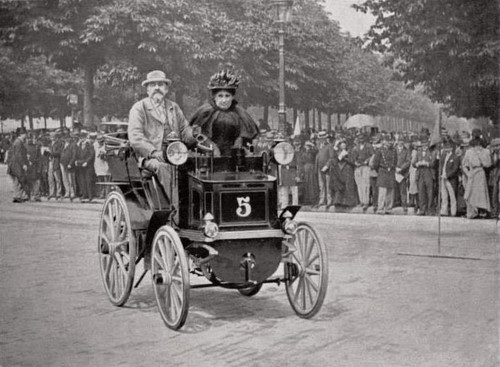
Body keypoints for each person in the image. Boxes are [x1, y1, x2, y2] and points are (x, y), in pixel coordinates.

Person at [128, 70, 197, 206]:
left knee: (197, 168)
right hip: (149, 158)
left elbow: (184, 130)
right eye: (153, 85)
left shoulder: (174, 108)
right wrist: (153, 152)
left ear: (166, 89)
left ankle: (196, 207)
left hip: (176, 156)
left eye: (160, 84)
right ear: (147, 89)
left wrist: (194, 135)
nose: (157, 88)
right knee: (164, 168)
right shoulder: (139, 108)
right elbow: (135, 137)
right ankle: (177, 210)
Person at [189, 70, 259, 156]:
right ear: (214, 97)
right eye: (220, 96)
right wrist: (213, 147)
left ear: (232, 97)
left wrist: (239, 142)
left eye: (227, 96)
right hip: (208, 155)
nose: (224, 100)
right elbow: (195, 134)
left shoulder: (240, 113)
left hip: (234, 156)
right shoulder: (204, 111)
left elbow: (248, 134)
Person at [461, 135, 492, 218]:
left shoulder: (486, 151)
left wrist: (483, 162)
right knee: (470, 193)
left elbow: (489, 164)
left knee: (481, 193)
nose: (478, 145)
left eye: (479, 143)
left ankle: (482, 211)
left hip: (481, 173)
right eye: (476, 143)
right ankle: (473, 212)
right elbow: (463, 165)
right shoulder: (469, 152)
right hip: (472, 173)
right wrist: (468, 174)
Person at [373, 134, 397, 214]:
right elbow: (375, 164)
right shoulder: (379, 151)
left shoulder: (394, 151)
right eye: (387, 141)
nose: (389, 143)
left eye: (390, 141)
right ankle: (380, 208)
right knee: (382, 191)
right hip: (382, 171)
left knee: (390, 191)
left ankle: (388, 208)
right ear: (383, 141)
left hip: (391, 172)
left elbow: (395, 161)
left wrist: (391, 168)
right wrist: (380, 170)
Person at [412, 138, 437, 216]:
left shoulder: (432, 151)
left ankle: (430, 210)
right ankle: (422, 209)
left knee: (430, 192)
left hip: (428, 172)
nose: (424, 145)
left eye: (425, 144)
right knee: (421, 192)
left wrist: (427, 163)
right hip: (420, 173)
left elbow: (433, 163)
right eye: (422, 144)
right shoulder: (418, 152)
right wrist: (417, 164)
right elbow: (413, 163)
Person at [439, 138, 460, 216]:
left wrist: (447, 175)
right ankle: (444, 211)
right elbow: (441, 165)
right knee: (444, 195)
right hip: (443, 178)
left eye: (448, 146)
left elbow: (455, 169)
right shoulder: (443, 156)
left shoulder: (455, 157)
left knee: (452, 196)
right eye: (445, 147)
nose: (446, 148)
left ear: (451, 147)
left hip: (451, 179)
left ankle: (453, 212)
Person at [351, 134, 373, 211]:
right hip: (358, 167)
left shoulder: (369, 146)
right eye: (359, 139)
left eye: (362, 139)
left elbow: (372, 155)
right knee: (359, 184)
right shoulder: (355, 148)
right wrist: (355, 162)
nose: (361, 140)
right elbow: (352, 157)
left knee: (366, 184)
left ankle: (366, 201)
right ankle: (361, 201)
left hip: (366, 167)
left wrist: (367, 160)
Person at [7, 127, 29, 202]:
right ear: (22, 134)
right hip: (17, 165)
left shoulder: (16, 142)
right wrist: (23, 164)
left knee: (16, 181)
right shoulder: (19, 143)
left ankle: (17, 196)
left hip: (14, 165)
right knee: (18, 180)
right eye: (25, 134)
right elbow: (19, 155)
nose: (26, 135)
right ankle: (18, 196)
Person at [394, 137, 412, 213]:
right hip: (394, 172)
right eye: (399, 141)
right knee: (394, 189)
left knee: (403, 190)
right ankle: (395, 202)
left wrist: (401, 168)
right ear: (397, 141)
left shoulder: (406, 151)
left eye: (402, 141)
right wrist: (395, 168)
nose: (400, 143)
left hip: (402, 173)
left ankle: (404, 204)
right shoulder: (393, 149)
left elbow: (408, 161)